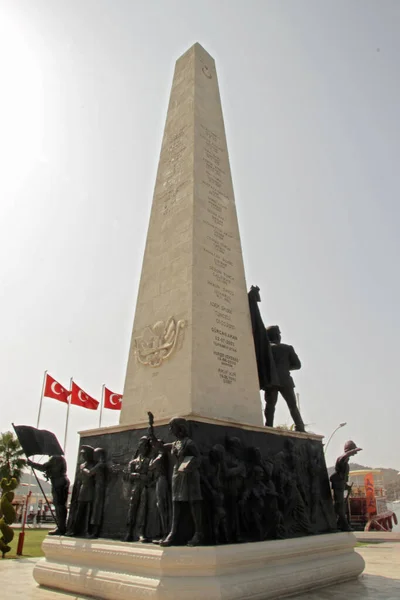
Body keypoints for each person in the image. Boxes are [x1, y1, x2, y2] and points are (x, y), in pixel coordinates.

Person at [160, 418, 203, 547]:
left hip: (189, 476)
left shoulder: (189, 443)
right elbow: (161, 447)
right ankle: (173, 532)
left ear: (180, 428)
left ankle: (199, 533)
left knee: (193, 503)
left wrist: (188, 466)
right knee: (176, 503)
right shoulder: (176, 443)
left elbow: (198, 458)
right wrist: (151, 432)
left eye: (172, 427)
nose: (170, 430)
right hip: (177, 475)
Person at [264, 325, 305, 432]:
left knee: (270, 406)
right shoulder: (287, 348)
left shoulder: (265, 349)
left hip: (272, 380)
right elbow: (297, 365)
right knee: (292, 406)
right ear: (277, 335)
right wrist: (285, 367)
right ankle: (300, 427)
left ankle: (268, 427)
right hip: (286, 380)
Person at [28, 455, 70, 536]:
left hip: (59, 482)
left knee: (59, 505)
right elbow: (52, 469)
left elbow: (44, 467)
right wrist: (49, 473)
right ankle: (61, 526)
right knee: (60, 505)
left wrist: (31, 463)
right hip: (60, 481)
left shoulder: (55, 457)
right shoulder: (59, 458)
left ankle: (61, 527)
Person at [124, 436, 152, 542]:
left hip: (144, 487)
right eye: (142, 447)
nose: (144, 449)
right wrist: (136, 475)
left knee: (143, 509)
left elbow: (149, 476)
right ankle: (129, 531)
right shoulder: (133, 462)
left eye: (146, 447)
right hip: (135, 487)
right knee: (132, 509)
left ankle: (141, 532)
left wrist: (140, 476)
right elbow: (128, 475)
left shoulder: (149, 461)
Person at [330, 440, 362, 531]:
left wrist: (347, 486)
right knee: (339, 505)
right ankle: (343, 525)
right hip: (337, 486)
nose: (355, 454)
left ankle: (339, 524)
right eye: (354, 451)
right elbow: (344, 456)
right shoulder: (341, 459)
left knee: (340, 506)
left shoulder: (346, 462)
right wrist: (354, 450)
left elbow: (343, 477)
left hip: (341, 485)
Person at [81, 447, 107, 538]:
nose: (93, 456)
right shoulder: (100, 464)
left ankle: (95, 532)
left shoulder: (100, 464)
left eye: (95, 454)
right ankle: (92, 530)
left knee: (97, 510)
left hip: (99, 488)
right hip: (97, 487)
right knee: (95, 510)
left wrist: (83, 468)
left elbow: (90, 473)